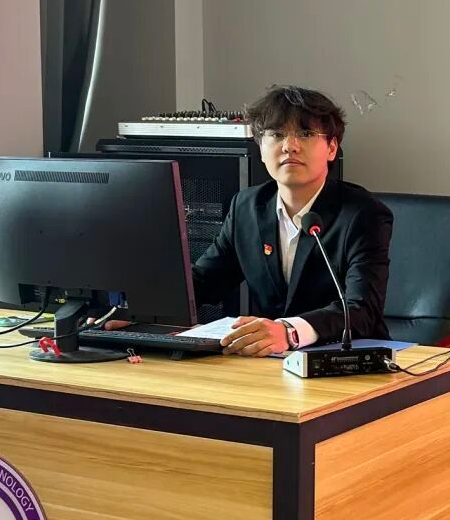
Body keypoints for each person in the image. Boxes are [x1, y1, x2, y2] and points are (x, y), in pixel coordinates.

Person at [102, 85, 393, 356]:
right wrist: (139, 311)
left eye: (305, 134)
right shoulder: (247, 207)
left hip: (349, 360)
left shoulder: (362, 214)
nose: (289, 146)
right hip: (270, 361)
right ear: (261, 147)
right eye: (276, 134)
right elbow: (204, 281)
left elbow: (362, 309)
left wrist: (289, 332)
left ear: (331, 148)